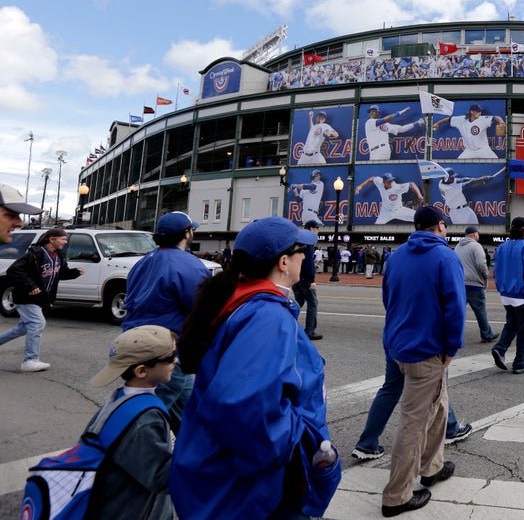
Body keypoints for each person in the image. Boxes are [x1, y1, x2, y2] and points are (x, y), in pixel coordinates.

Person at [171, 217, 340, 520]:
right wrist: (298, 439)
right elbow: (240, 407)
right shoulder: (267, 316)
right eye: (302, 250)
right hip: (255, 490)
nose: (307, 256)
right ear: (284, 262)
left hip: (240, 482)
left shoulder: (247, 301)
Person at [377, 206, 465, 517]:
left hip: (400, 345)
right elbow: (455, 307)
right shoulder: (446, 257)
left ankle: (432, 467)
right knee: (413, 423)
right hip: (426, 352)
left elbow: (388, 299)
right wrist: (452, 348)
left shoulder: (397, 256)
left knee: (439, 406)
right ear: (440, 226)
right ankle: (396, 497)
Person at [122, 212, 211, 433]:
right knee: (144, 419)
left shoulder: (144, 261)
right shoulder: (188, 264)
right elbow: (201, 310)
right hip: (165, 351)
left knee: (187, 413)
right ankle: (125, 457)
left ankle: (191, 458)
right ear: (187, 233)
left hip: (138, 343)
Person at [87, 325, 178, 520]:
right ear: (142, 371)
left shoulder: (119, 399)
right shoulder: (144, 420)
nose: (176, 361)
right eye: (170, 357)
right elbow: (162, 478)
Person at [1, 228, 83, 372]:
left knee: (23, 328)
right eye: (63, 239)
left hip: (41, 299)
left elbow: (59, 273)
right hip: (26, 297)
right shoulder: (35, 253)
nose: (65, 242)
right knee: (37, 323)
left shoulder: (58, 255)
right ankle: (30, 360)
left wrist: (75, 273)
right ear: (52, 239)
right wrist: (30, 286)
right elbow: (14, 270)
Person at [491, 217, 524, 374]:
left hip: (505, 293)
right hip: (521, 294)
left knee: (512, 323)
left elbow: (495, 271)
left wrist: (501, 287)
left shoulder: (502, 247)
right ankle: (520, 362)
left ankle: (500, 349)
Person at [454, 225, 497, 342]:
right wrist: (486, 275)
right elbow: (481, 264)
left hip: (460, 283)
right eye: (477, 233)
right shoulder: (476, 246)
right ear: (474, 234)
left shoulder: (458, 247)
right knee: (480, 311)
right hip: (474, 284)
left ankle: (452, 335)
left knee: (458, 312)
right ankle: (486, 334)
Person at [433, 102, 504, 159]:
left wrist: (501, 122)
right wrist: (438, 123)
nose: (480, 113)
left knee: (496, 161)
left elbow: (496, 117)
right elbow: (449, 119)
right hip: (469, 151)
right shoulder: (461, 120)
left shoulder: (482, 119)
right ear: (472, 112)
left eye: (480, 111)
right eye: (478, 111)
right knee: (459, 163)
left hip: (483, 150)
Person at [355, 172, 424, 224]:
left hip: (399, 210)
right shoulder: (380, 182)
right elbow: (371, 179)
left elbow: (412, 184)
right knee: (375, 230)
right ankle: (369, 243)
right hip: (385, 212)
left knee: (419, 217)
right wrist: (360, 186)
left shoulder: (397, 187)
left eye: (391, 180)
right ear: (384, 182)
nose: (391, 182)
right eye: (389, 181)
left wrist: (419, 195)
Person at [293, 220, 322, 340]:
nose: (318, 231)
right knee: (313, 303)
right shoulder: (308, 241)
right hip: (305, 278)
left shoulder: (297, 239)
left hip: (296, 276)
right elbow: (307, 261)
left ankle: (286, 323)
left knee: (298, 302)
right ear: (311, 228)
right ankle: (310, 331)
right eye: (317, 228)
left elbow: (301, 260)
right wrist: (312, 279)